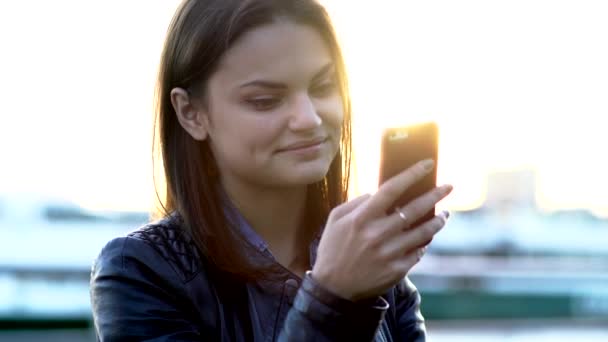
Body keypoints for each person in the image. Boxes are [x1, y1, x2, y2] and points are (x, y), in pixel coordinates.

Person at [90, 0, 453, 341]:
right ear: (190, 113)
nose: (309, 119)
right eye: (265, 100)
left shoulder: (377, 272)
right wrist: (333, 299)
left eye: (323, 87)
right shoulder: (141, 270)